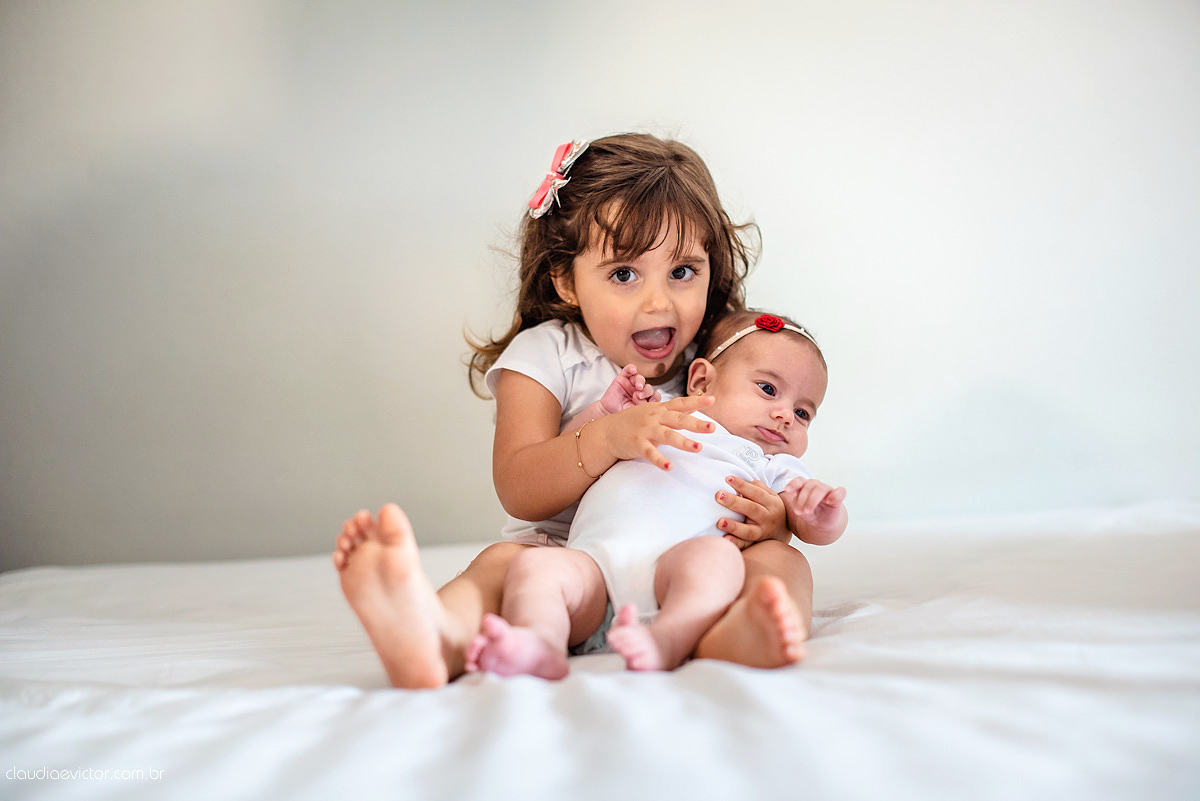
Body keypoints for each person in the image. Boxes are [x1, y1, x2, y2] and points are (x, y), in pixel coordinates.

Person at [332, 134, 812, 688]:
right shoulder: (545, 356)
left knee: (781, 563)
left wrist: (774, 521)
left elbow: (761, 461)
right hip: (562, 568)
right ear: (566, 280)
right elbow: (519, 488)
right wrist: (608, 438)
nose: (659, 301)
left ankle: (737, 633)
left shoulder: (719, 366)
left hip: (689, 569)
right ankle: (437, 637)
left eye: (682, 271)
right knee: (501, 565)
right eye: (624, 274)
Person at [463, 310, 847, 678]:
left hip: (679, 578)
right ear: (701, 382)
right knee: (537, 567)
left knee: (718, 559)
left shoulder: (773, 464)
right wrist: (605, 412)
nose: (785, 415)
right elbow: (572, 449)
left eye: (803, 413)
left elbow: (809, 522)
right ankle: (540, 641)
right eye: (768, 389)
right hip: (595, 572)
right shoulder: (656, 413)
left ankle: (669, 639)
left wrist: (823, 513)